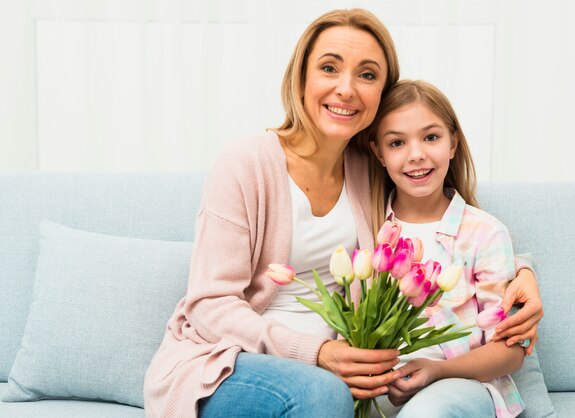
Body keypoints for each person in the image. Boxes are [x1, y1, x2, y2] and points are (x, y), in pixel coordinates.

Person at [143, 9, 542, 418]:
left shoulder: (371, 168)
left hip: (342, 378)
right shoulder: (246, 164)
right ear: (301, 80)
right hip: (228, 361)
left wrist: (523, 274)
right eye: (329, 68)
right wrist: (317, 353)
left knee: (331, 396)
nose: (346, 89)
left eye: (367, 75)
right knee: (323, 396)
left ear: (380, 96)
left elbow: (440, 230)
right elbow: (209, 305)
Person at [365, 79, 528, 417]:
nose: (416, 154)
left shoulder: (485, 232)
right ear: (378, 153)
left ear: (453, 142)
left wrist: (437, 371)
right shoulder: (368, 228)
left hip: (459, 384)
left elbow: (512, 351)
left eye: (431, 137)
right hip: (378, 386)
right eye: (397, 142)